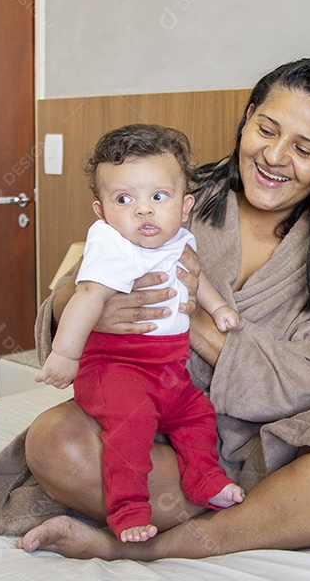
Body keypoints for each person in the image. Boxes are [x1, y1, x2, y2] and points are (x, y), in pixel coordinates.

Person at [11, 57, 310, 561]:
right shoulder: (177, 194)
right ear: (249, 116)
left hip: (282, 451)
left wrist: (196, 325)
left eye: (304, 149)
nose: (275, 157)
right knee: (55, 443)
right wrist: (87, 308)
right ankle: (290, 513)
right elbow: (72, 291)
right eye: (266, 129)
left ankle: (158, 545)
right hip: (165, 438)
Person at [35, 124, 245, 543]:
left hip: (168, 370)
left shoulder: (180, 239)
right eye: (124, 199)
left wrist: (219, 308)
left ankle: (207, 480)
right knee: (132, 429)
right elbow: (86, 299)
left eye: (158, 197)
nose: (143, 211)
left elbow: (195, 278)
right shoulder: (111, 245)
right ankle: (128, 511)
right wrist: (64, 355)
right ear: (102, 212)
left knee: (197, 415)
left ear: (185, 207)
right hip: (117, 366)